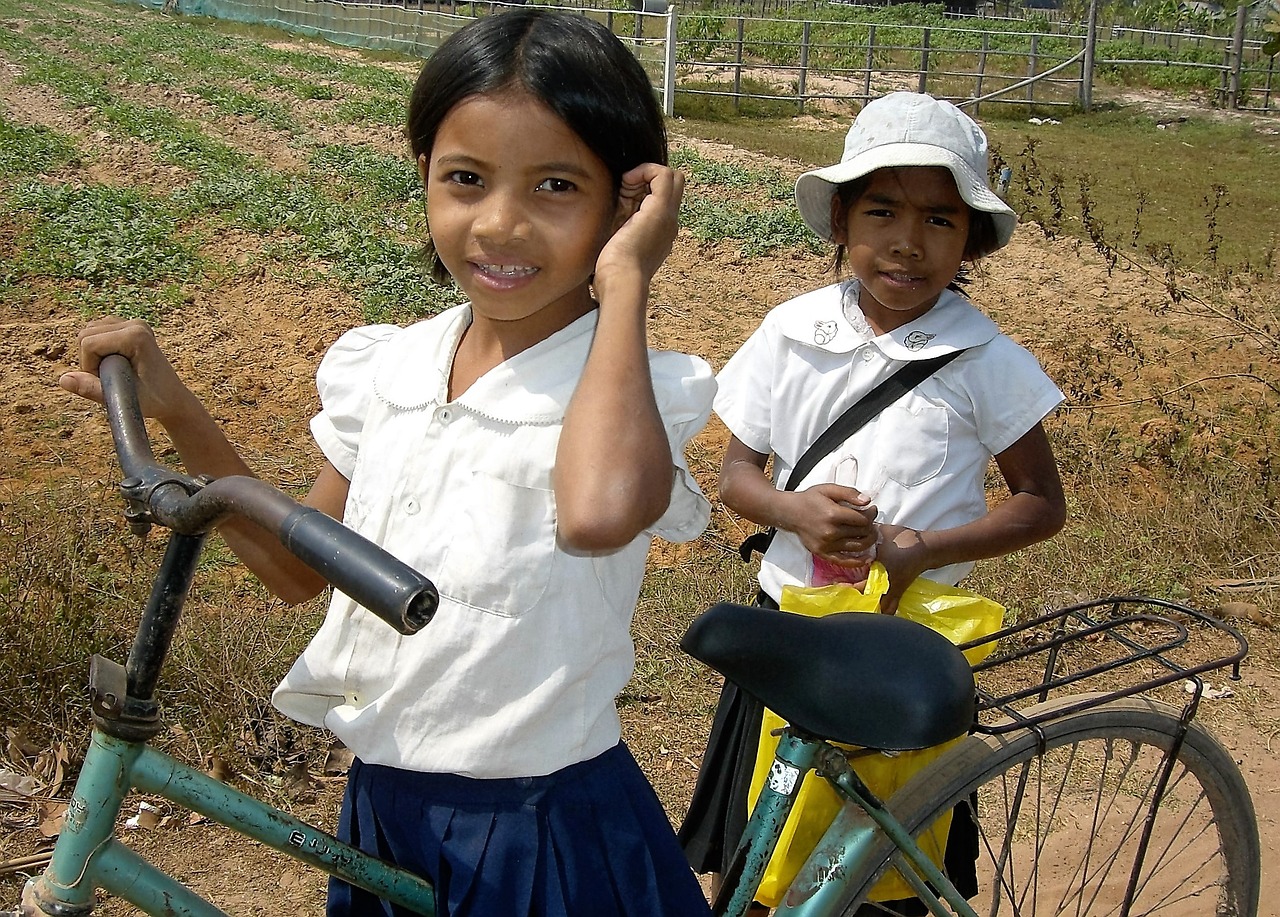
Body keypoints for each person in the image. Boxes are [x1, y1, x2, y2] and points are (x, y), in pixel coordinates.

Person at [61, 10, 715, 917]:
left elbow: (601, 513)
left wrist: (629, 280)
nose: (500, 223)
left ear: (627, 203)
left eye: (556, 185)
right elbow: (296, 564)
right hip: (383, 800)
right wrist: (178, 410)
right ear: (424, 180)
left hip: (539, 820)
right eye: (466, 180)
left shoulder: (637, 388)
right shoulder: (392, 365)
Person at [678, 91, 1067, 913]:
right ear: (841, 224)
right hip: (792, 633)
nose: (907, 242)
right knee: (762, 860)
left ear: (969, 239)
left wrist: (919, 547)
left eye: (939, 220)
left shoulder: (984, 360)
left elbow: (1039, 503)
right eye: (881, 210)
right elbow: (738, 476)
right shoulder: (792, 331)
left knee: (892, 861)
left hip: (909, 643)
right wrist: (795, 511)